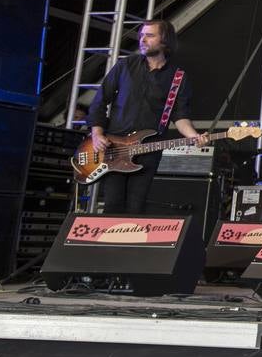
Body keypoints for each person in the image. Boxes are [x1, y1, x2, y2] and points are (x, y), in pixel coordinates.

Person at [88, 20, 205, 214]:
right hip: (114, 147)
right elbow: (100, 101)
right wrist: (97, 134)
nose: (143, 40)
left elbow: (180, 115)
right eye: (142, 35)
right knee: (112, 206)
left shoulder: (178, 77)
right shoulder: (125, 65)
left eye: (150, 35)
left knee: (136, 207)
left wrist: (194, 135)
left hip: (148, 149)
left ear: (165, 41)